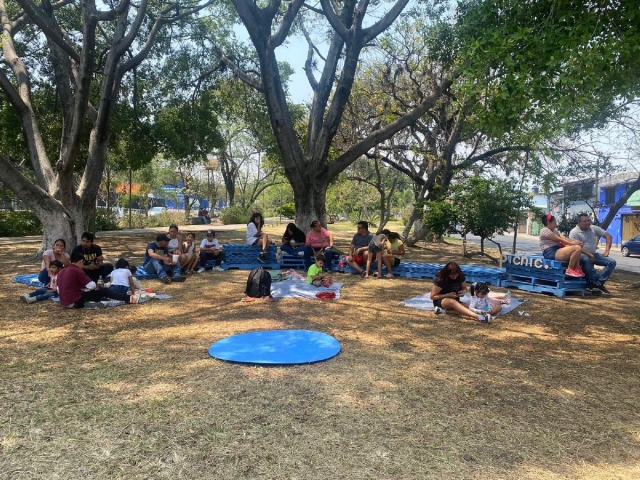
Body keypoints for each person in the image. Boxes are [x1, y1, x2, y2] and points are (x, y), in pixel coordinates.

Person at [569, 213, 616, 295]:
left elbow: (609, 236)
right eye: (585, 221)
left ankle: (598, 283)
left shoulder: (593, 228)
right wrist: (589, 255)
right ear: (579, 222)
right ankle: (591, 283)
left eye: (588, 220)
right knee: (587, 259)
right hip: (581, 255)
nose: (587, 222)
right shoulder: (574, 232)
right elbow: (576, 247)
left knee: (612, 262)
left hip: (593, 254)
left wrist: (607, 250)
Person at [57, 252, 121, 309]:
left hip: (64, 302)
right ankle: (127, 298)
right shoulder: (77, 270)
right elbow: (92, 286)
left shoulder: (62, 271)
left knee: (90, 295)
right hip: (75, 299)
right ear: (81, 261)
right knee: (104, 291)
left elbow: (58, 288)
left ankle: (90, 303)